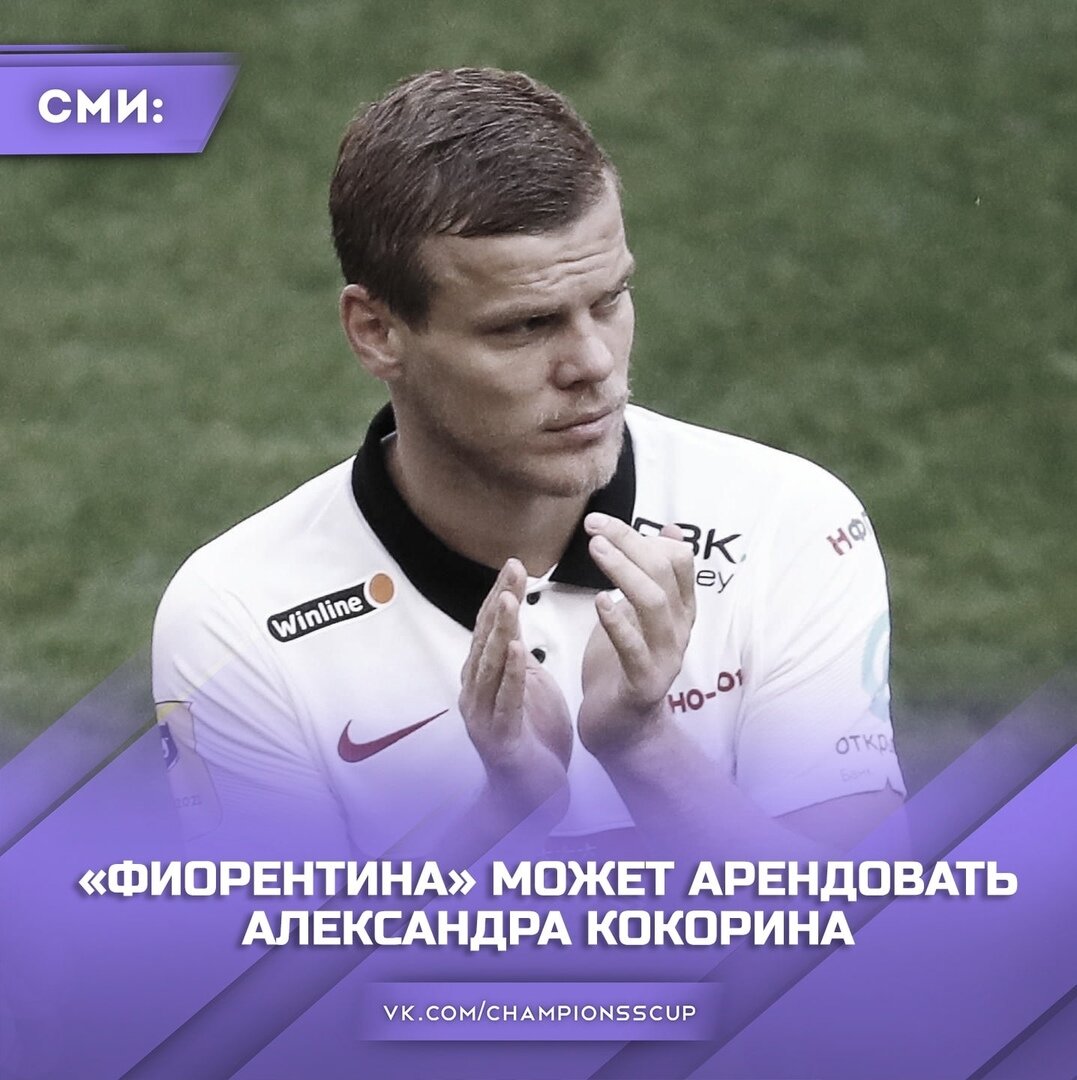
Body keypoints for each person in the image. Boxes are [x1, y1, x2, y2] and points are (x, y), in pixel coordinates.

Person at [152, 67, 905, 861]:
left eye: (609, 300)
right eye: (525, 326)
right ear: (376, 332)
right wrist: (503, 813)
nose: (592, 363)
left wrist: (643, 747)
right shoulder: (236, 616)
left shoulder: (789, 523)